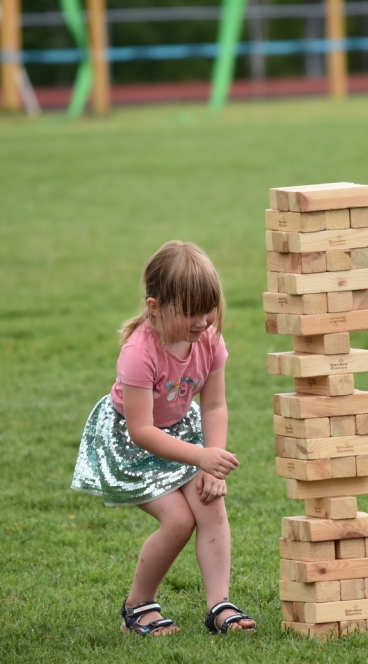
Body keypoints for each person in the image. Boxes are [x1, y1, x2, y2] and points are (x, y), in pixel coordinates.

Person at [71, 241, 256, 636]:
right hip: (131, 445)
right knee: (177, 519)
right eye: (191, 311)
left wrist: (213, 461)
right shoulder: (139, 352)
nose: (204, 320)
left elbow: (214, 407)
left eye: (209, 309)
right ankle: (138, 607)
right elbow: (141, 430)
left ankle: (219, 606)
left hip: (183, 435)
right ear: (155, 307)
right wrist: (200, 456)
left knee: (210, 504)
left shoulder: (209, 340)